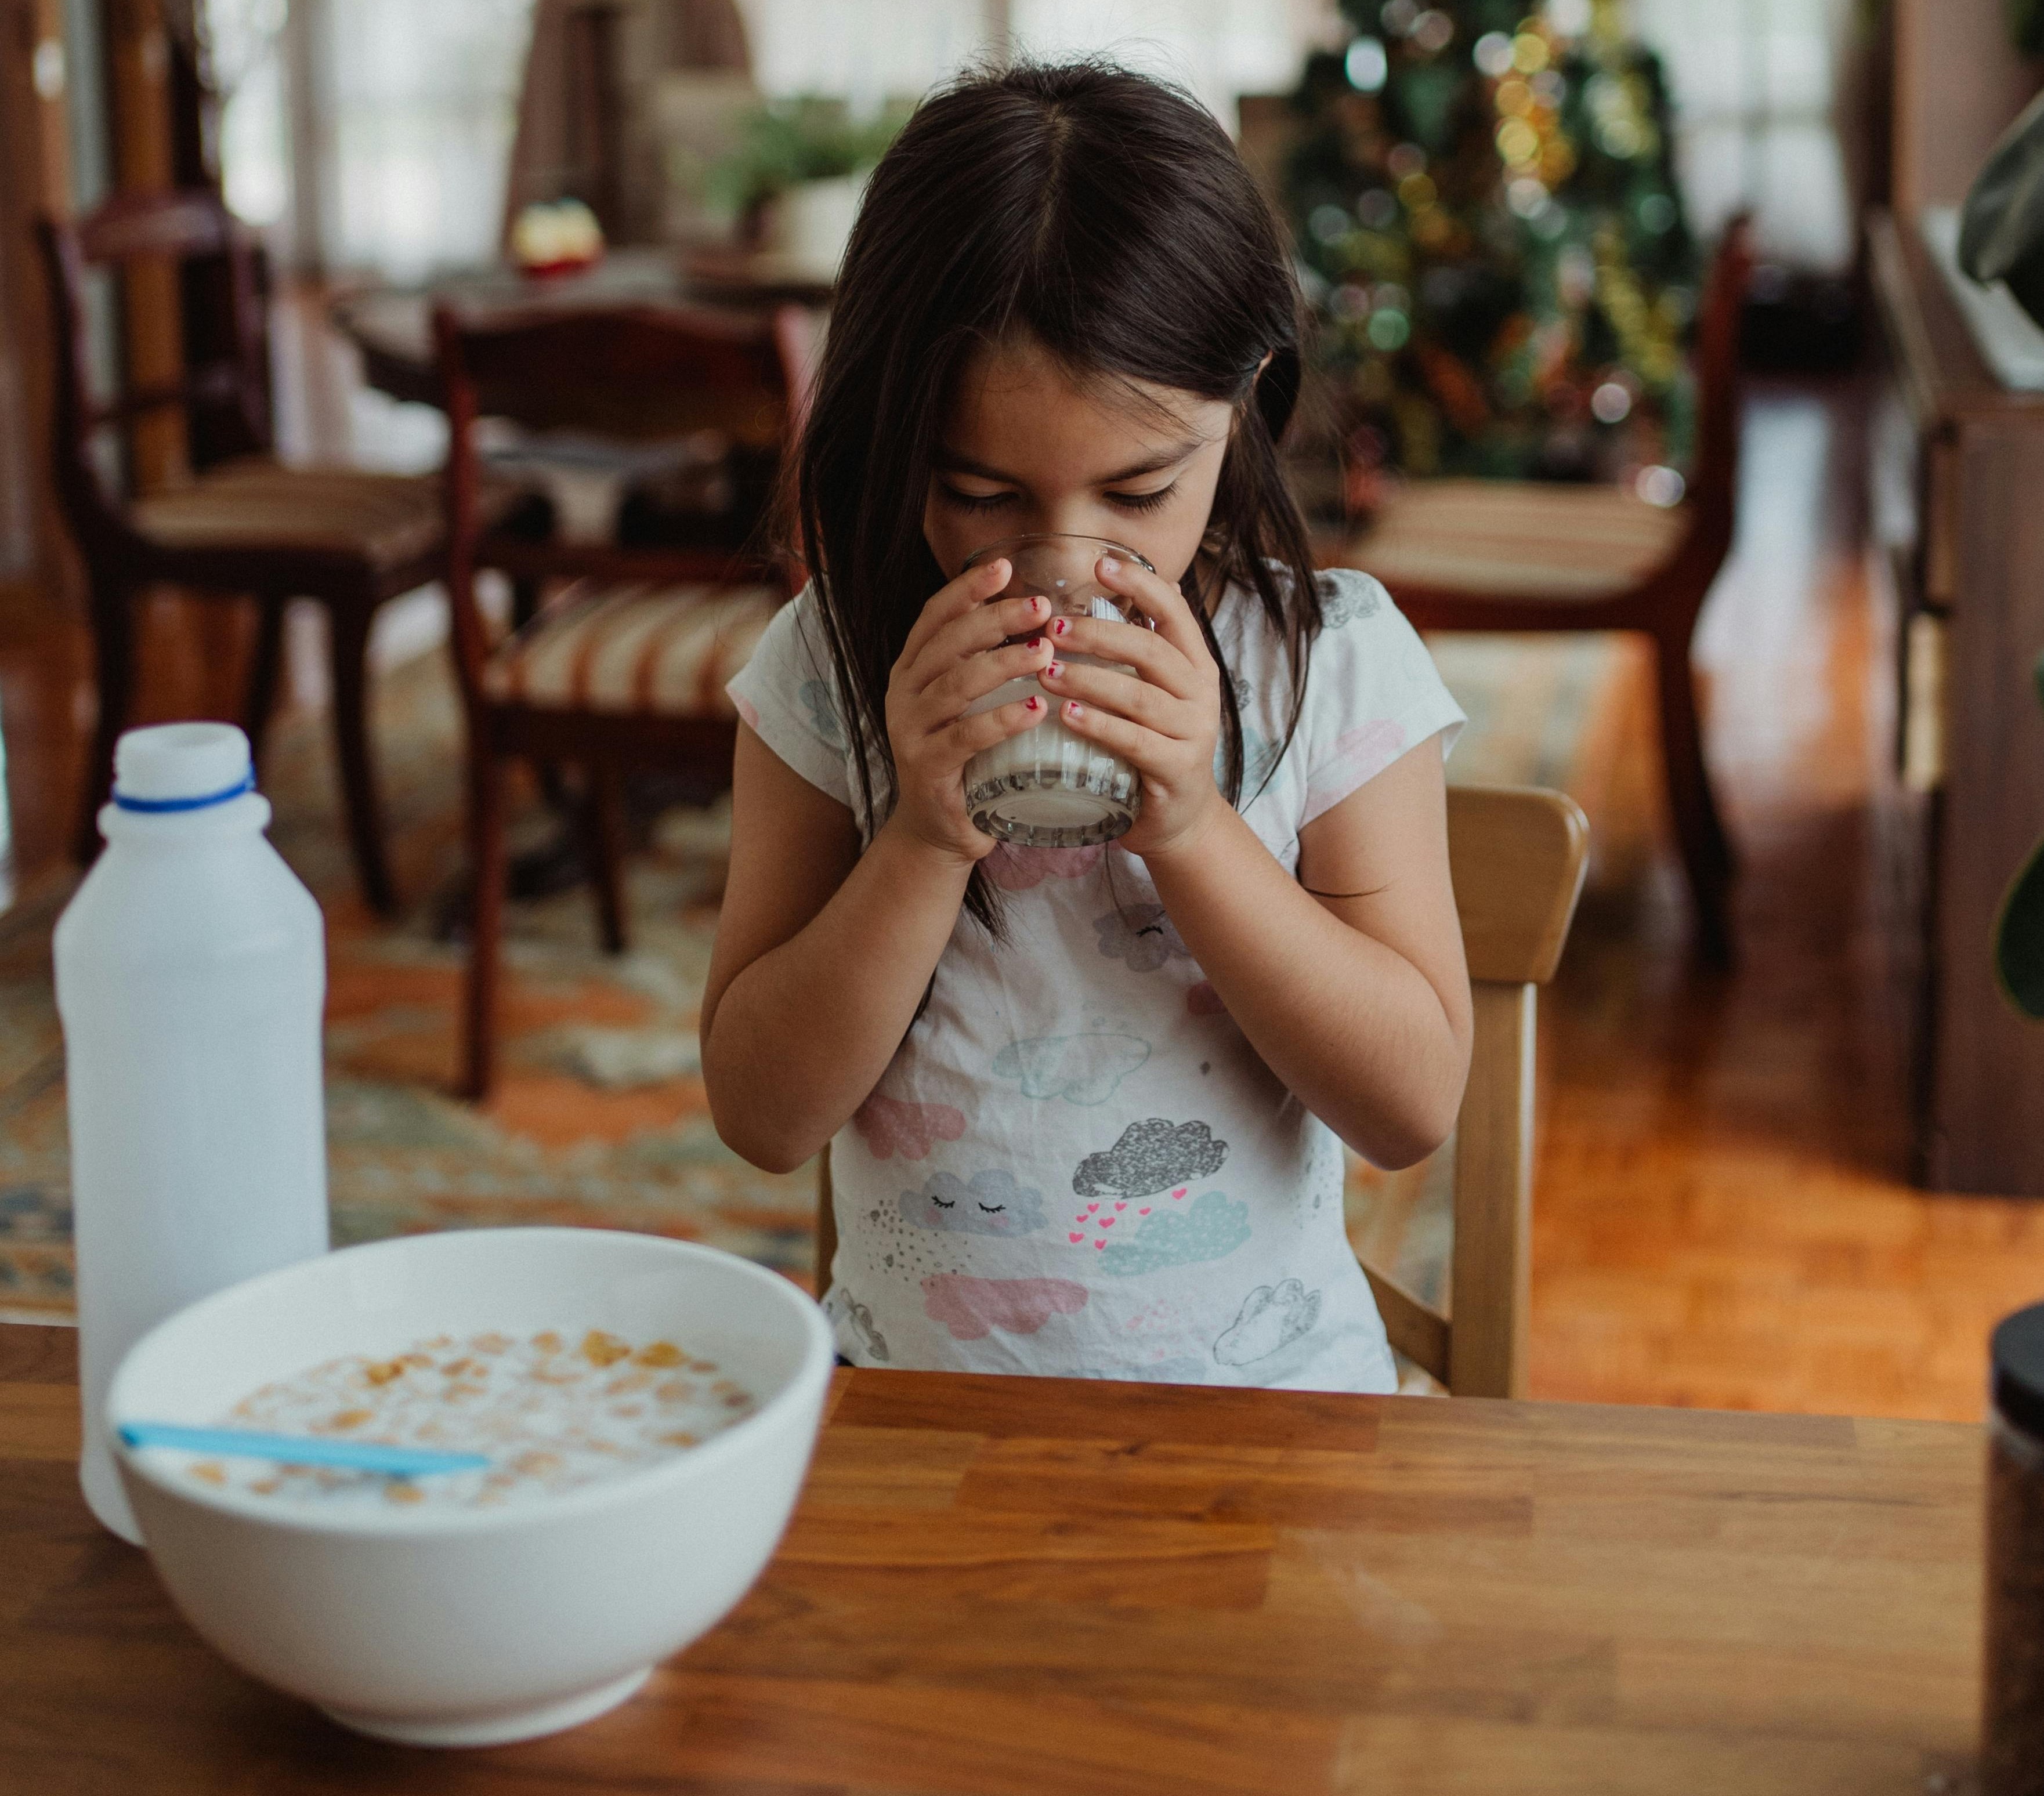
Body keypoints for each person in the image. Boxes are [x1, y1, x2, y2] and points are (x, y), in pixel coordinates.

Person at [701, 61, 1471, 1392]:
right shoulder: (832, 671)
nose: (1065, 565)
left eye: (1139, 492)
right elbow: (761, 1117)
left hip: (1269, 1425)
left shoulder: (1328, 666)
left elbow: (1409, 1107)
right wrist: (921, 842)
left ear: (1246, 401)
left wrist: (1195, 826)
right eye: (980, 493)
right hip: (920, 1427)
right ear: (893, 436)